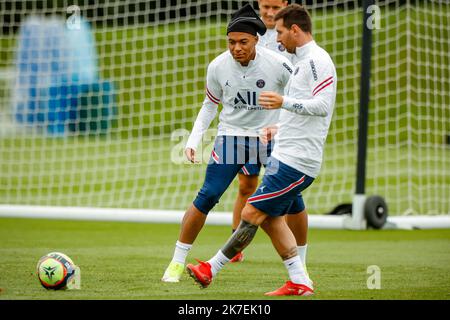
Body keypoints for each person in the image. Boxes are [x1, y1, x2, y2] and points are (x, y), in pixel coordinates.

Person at [186, 4, 337, 296]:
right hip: (285, 152)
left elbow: (322, 106)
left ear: (294, 29)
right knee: (270, 217)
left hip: (298, 159)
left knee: (252, 210)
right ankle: (300, 280)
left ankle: (210, 269)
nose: (277, 39)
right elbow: (299, 110)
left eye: (279, 32)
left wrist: (283, 103)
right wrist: (278, 126)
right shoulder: (302, 62)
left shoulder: (317, 60)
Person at [161, 4, 294, 283]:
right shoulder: (217, 66)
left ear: (257, 39)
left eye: (243, 42)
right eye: (231, 42)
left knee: (292, 201)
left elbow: (297, 102)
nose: (236, 48)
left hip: (270, 140)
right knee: (208, 195)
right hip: (231, 138)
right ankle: (176, 262)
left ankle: (299, 270)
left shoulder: (279, 65)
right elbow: (210, 105)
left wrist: (279, 127)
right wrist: (193, 141)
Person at [230, 0, 312, 268]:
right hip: (251, 126)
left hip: (283, 127)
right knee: (246, 184)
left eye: (274, 6)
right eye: (264, 5)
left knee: (291, 195)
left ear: (285, 5)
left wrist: (286, 117)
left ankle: (300, 254)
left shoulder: (292, 36)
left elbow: (302, 85)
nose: (268, 12)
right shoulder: (247, 33)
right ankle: (235, 247)